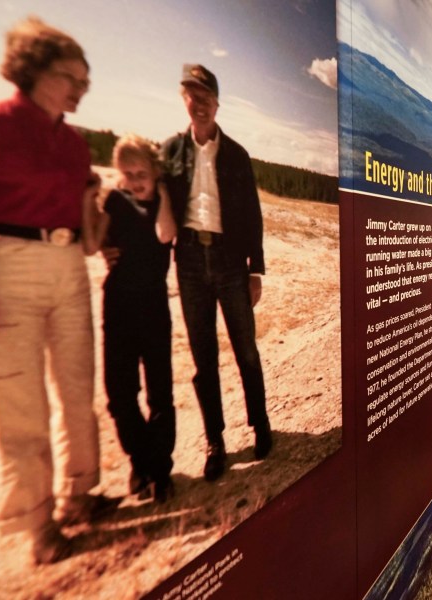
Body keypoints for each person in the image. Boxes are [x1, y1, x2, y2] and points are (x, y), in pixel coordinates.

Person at [0, 17, 116, 565]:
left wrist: (95, 206)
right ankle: (38, 528)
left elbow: (87, 235)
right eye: (72, 78)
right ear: (33, 69)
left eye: (86, 82)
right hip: (10, 265)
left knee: (76, 387)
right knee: (21, 401)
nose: (80, 90)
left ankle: (79, 495)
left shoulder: (74, 143)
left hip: (68, 267)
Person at [160, 64, 271, 482]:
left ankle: (260, 424)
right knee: (203, 359)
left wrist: (255, 271)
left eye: (205, 97)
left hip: (229, 264)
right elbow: (155, 202)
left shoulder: (237, 155)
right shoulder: (170, 150)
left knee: (246, 351)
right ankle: (215, 441)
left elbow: (253, 217)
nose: (199, 104)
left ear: (217, 104)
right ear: (183, 100)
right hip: (189, 263)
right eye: (191, 95)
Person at [83, 134, 177, 503]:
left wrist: (164, 193)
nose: (135, 180)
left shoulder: (164, 204)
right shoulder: (115, 201)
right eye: (127, 173)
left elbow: (165, 233)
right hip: (118, 305)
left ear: (155, 171)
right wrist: (87, 198)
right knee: (120, 395)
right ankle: (142, 461)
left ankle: (160, 472)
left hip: (154, 305)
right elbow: (91, 245)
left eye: (142, 173)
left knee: (160, 393)